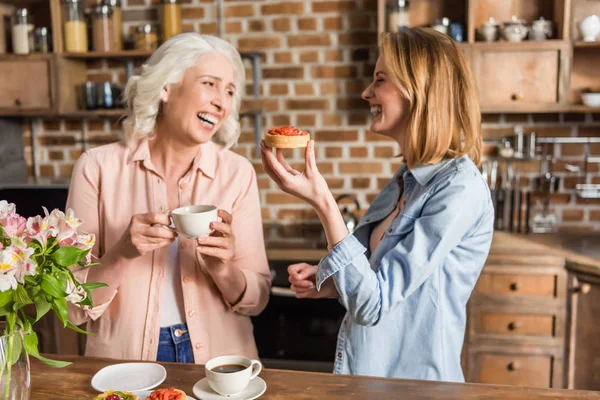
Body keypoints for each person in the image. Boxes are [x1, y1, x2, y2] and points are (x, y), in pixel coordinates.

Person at [260, 28, 494, 381]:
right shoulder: (406, 178)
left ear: (420, 90)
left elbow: (374, 305)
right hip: (371, 381)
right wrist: (333, 285)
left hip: (417, 387)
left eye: (379, 80)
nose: (366, 92)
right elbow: (377, 282)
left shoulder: (459, 189)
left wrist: (323, 201)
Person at [67, 33, 271, 364]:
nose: (222, 101)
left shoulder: (238, 173)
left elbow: (258, 299)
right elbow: (70, 302)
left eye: (230, 91)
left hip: (220, 363)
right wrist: (122, 252)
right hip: (126, 363)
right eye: (210, 84)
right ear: (167, 88)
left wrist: (221, 267)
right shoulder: (96, 168)